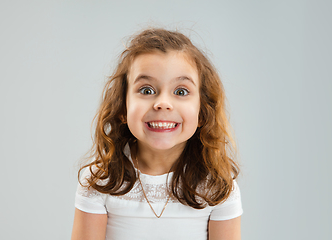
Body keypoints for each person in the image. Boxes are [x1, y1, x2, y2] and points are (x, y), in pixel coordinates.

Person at [71, 27, 243, 240]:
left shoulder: (218, 187)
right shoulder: (100, 181)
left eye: (181, 91)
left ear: (202, 112)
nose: (162, 103)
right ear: (122, 108)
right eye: (146, 90)